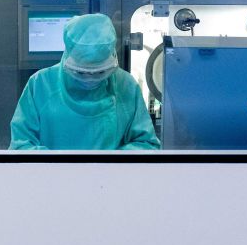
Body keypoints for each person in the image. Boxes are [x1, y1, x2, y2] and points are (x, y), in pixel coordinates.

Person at [10, 13, 161, 151]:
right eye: (81, 72)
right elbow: (21, 146)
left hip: (110, 179)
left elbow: (147, 145)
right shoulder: (40, 85)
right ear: (68, 58)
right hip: (53, 179)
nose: (90, 79)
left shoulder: (125, 85)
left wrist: (106, 166)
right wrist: (63, 168)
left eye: (100, 73)